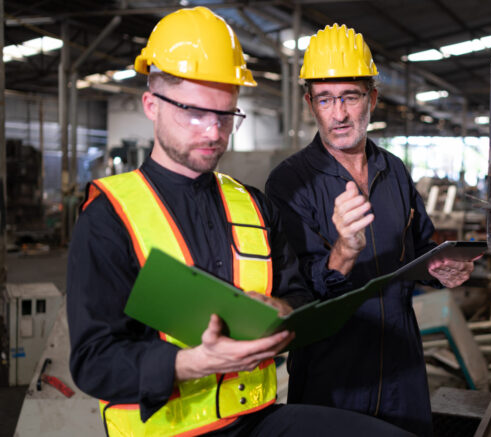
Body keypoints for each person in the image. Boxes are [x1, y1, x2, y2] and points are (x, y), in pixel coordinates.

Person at [67, 8, 412, 437]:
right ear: (151, 105)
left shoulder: (252, 205)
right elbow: (92, 362)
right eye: (195, 113)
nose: (214, 132)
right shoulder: (109, 216)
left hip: (254, 421)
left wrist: (281, 311)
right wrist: (189, 363)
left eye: (226, 115)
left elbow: (300, 300)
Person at [265, 24, 477, 436]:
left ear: (373, 99)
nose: (339, 114)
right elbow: (296, 298)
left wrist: (443, 268)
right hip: (333, 377)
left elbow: (421, 249)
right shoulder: (289, 184)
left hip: (403, 367)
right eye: (325, 99)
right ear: (310, 103)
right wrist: (344, 249)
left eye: (351, 96)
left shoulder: (394, 170)